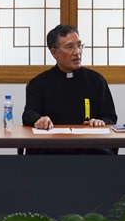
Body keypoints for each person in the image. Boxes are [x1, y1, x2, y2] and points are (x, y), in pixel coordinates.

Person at [22, 24, 117, 154]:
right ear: (54, 52)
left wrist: (101, 121)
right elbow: (29, 114)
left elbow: (110, 116)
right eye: (70, 47)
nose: (77, 52)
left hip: (88, 146)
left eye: (79, 45)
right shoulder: (39, 83)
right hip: (51, 146)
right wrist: (39, 120)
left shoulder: (96, 80)